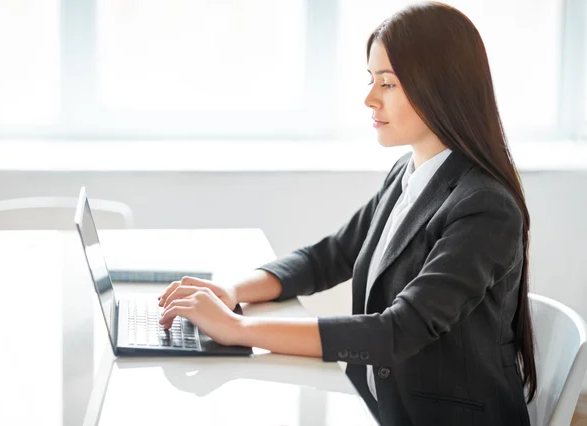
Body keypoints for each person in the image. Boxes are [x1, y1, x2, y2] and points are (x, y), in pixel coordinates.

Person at [157, 2, 536, 425]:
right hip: (380, 405)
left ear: (442, 87)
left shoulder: (485, 207)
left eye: (387, 84)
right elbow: (330, 256)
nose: (369, 99)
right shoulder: (408, 173)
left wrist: (237, 330)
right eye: (371, 80)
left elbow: (397, 331)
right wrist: (231, 292)